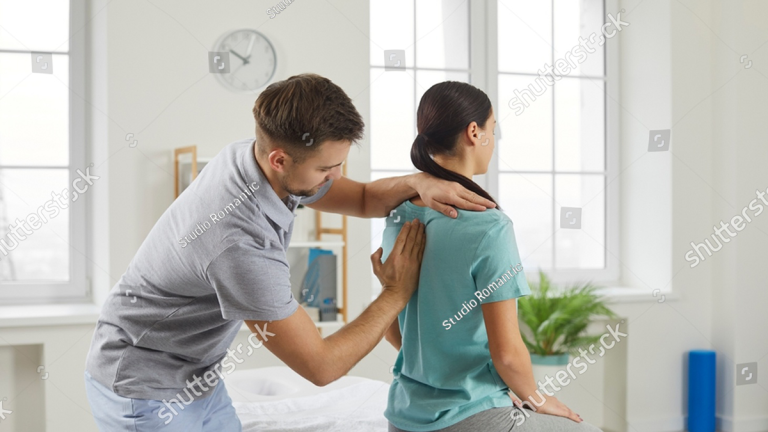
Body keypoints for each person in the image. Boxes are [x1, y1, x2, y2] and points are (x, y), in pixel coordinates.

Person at [83, 73, 500, 431]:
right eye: (325, 168)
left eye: (339, 163)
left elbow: (362, 199)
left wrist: (417, 182)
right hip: (145, 387)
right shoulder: (238, 242)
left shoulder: (251, 156)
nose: (335, 177)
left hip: (198, 377)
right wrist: (395, 293)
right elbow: (322, 366)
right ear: (280, 159)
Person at [379, 81, 603, 432]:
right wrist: (537, 398)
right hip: (470, 419)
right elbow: (507, 354)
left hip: (403, 419)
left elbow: (393, 330)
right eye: (492, 130)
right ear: (474, 132)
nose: (494, 141)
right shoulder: (489, 226)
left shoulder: (398, 216)